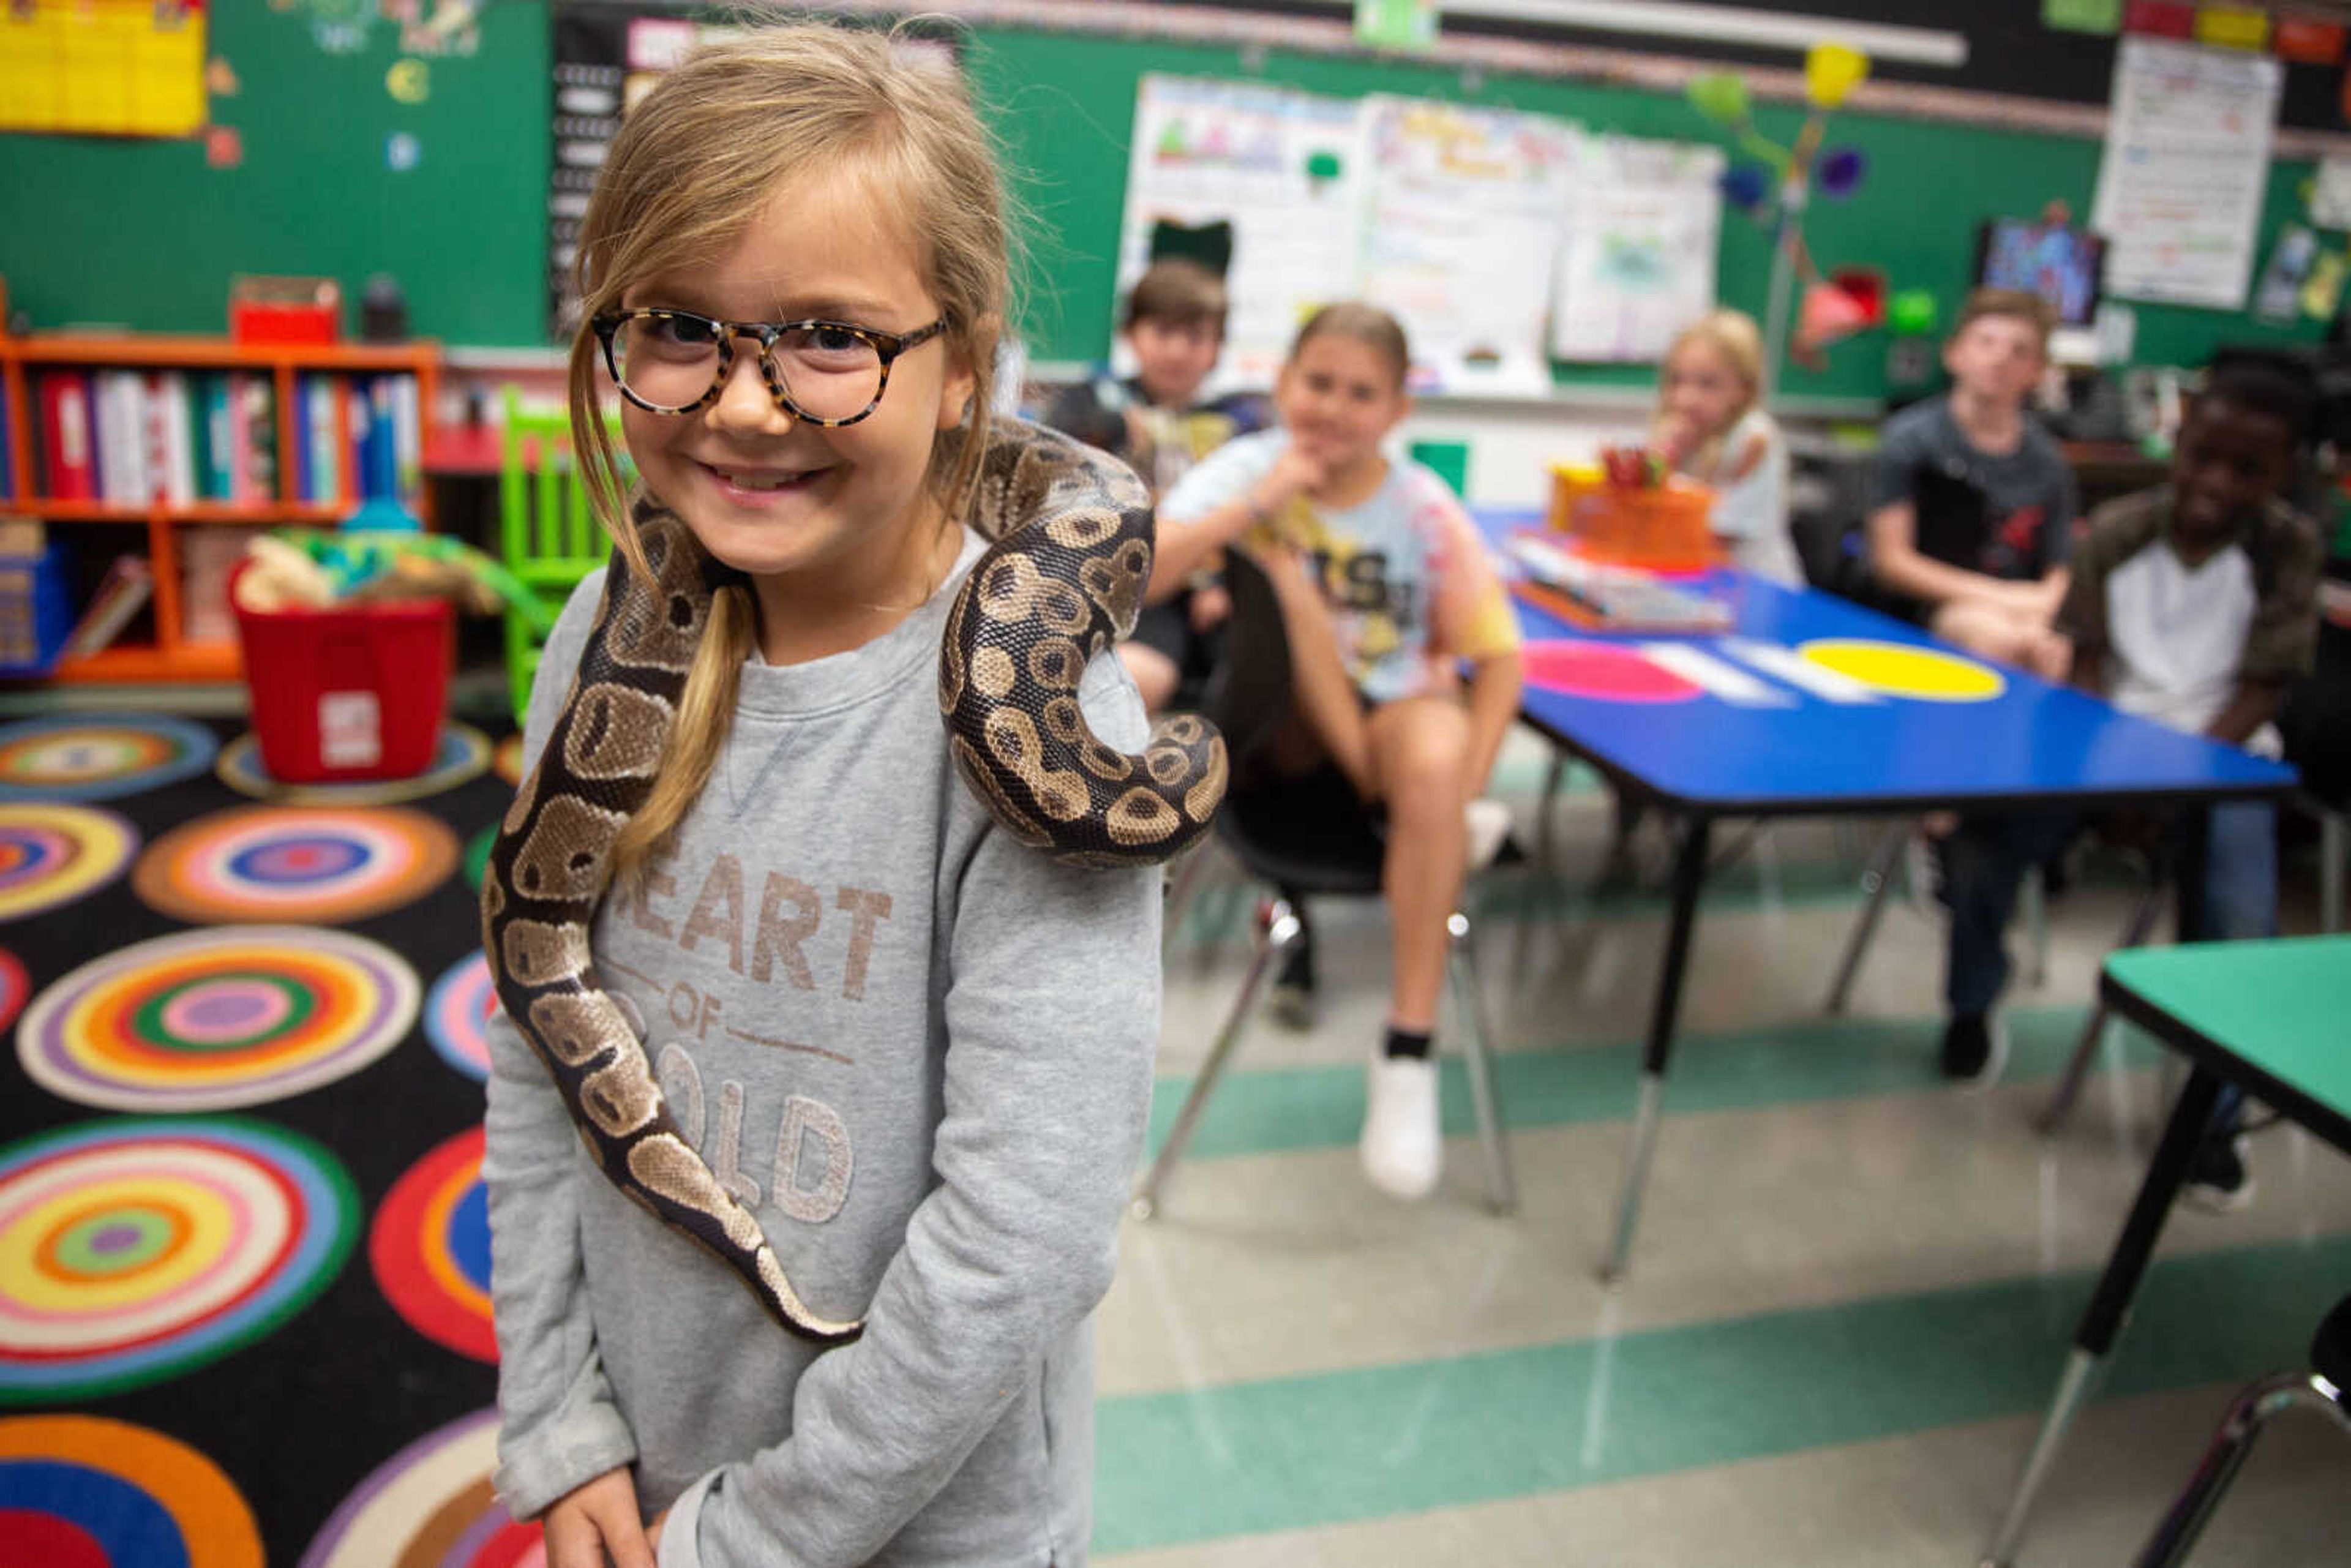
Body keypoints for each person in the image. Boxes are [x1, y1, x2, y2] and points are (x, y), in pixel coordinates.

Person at [482, 26, 1159, 1568]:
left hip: (923, 1521)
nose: (746, 404)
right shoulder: (603, 628)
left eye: (831, 337)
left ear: (964, 364)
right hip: (639, 1446)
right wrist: (558, 1408)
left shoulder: (1047, 731)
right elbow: (537, 1033)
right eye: (678, 327)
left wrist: (757, 1533)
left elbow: (1023, 1235)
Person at [1150, 302, 1524, 1201]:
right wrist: (1261, 504)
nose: (1334, 407)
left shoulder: (1422, 508)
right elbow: (1144, 572)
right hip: (1280, 743)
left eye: (1363, 393)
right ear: (1282, 385)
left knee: (1437, 745)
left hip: (1393, 721)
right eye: (1318, 383)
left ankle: (1407, 1046)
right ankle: (1431, 822)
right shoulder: (1248, 468)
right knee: (1291, 583)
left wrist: (1465, 785)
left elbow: (1503, 659)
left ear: (1398, 411)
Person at [1936, 363, 2322, 1208]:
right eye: (2203, 456)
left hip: (2225, 763)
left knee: (2235, 920)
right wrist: (2112, 770)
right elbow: (2087, 665)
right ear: (2179, 444)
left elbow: (2261, 687)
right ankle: (1970, 1006)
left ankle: (2213, 1119)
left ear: (2286, 473)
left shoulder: (2288, 550)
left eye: (2248, 468)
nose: (2217, 482)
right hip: (2110, 744)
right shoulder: (2116, 530)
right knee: (1981, 840)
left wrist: (2176, 781)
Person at [1046, 258, 1265, 712]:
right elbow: (1056, 480)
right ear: (1132, 333)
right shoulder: (1096, 403)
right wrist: (1112, 430)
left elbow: (1256, 523)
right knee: (1120, 675)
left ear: (1217, 347)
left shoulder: (1241, 424)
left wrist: (1221, 580)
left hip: (1202, 593)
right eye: (1163, 332)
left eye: (1195, 337)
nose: (1178, 350)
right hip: (1115, 584)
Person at [1865, 288, 2077, 681]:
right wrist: (2001, 599)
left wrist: (2042, 606)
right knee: (1995, 641)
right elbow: (1892, 562)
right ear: (1955, 353)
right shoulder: (1912, 441)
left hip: (2024, 611)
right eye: (1987, 342)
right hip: (1935, 607)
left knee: (2053, 652)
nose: (2000, 358)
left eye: (2019, 351)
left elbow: (2058, 566)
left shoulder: (2049, 462)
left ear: (2037, 371)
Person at [1654, 308, 1802, 587]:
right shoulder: (1684, 435)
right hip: (1703, 582)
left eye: (1708, 384)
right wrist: (1664, 457)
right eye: (1677, 380)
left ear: (1744, 388)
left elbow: (1717, 536)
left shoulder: (1755, 437)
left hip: (1760, 586)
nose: (1686, 398)